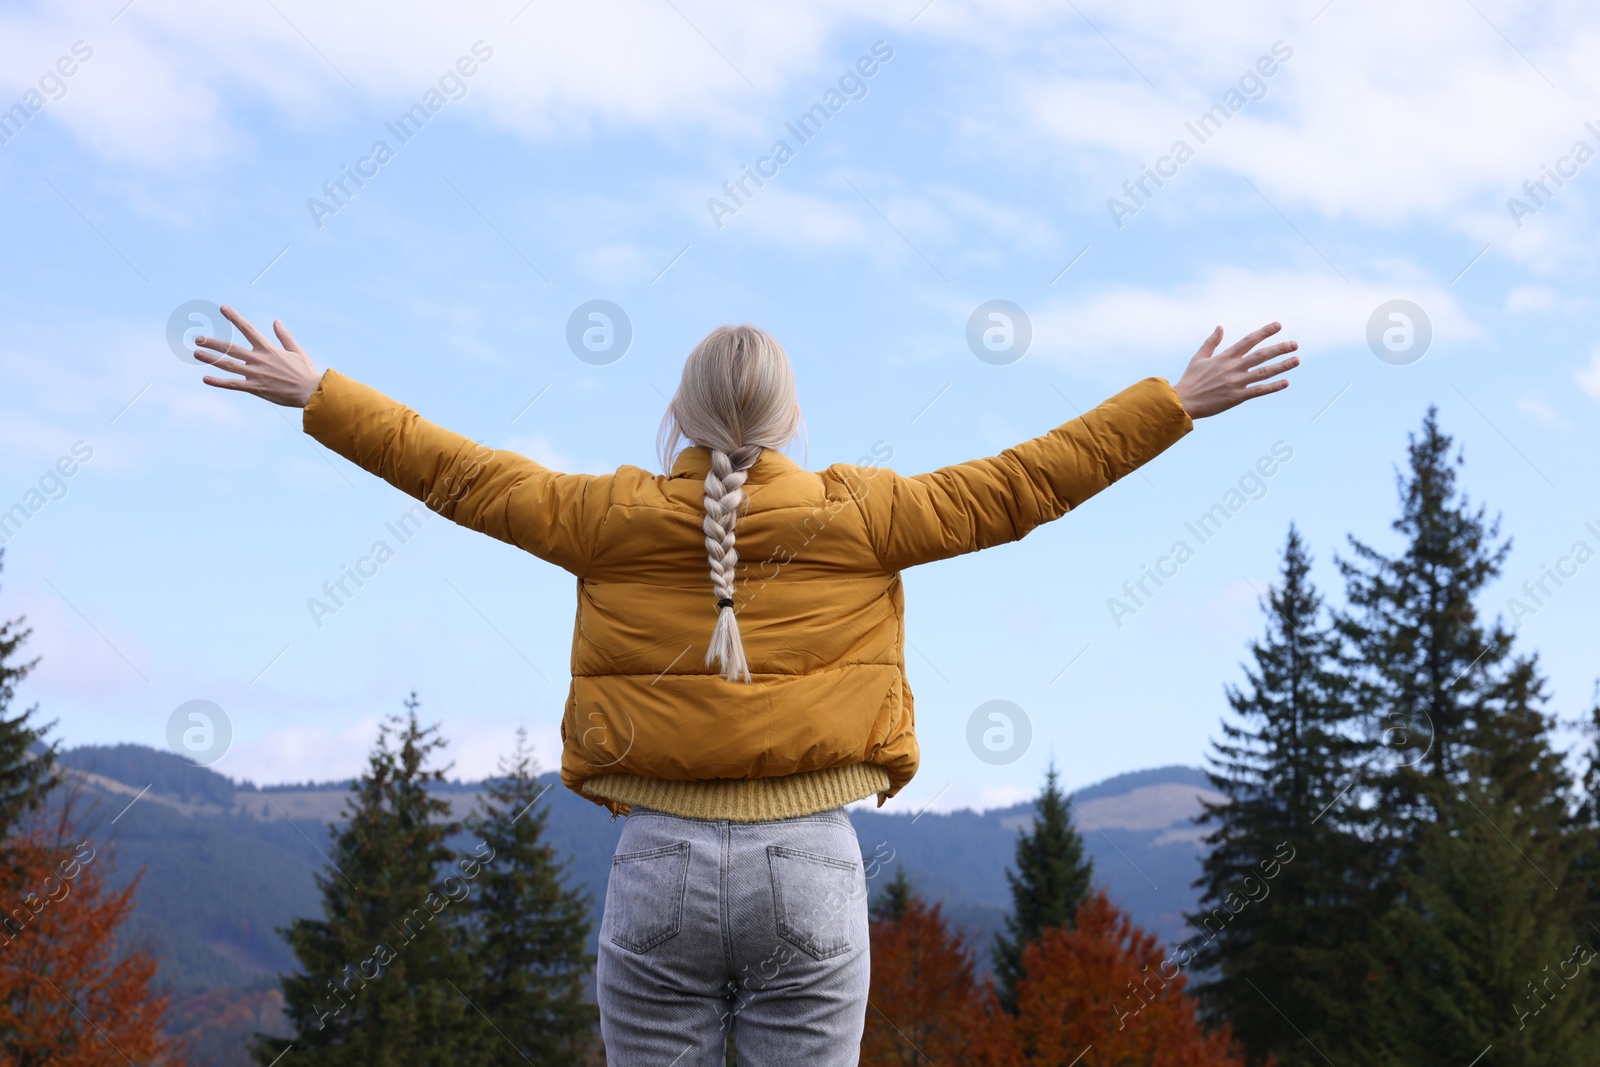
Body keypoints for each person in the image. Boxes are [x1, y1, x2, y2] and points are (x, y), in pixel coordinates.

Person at [197, 308, 1298, 1065]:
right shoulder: (865, 514)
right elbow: (1024, 485)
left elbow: (454, 472)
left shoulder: (605, 515)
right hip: (811, 865)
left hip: (657, 865)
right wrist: (1177, 401)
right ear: (786, 421)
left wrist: (317, 392)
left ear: (679, 418)